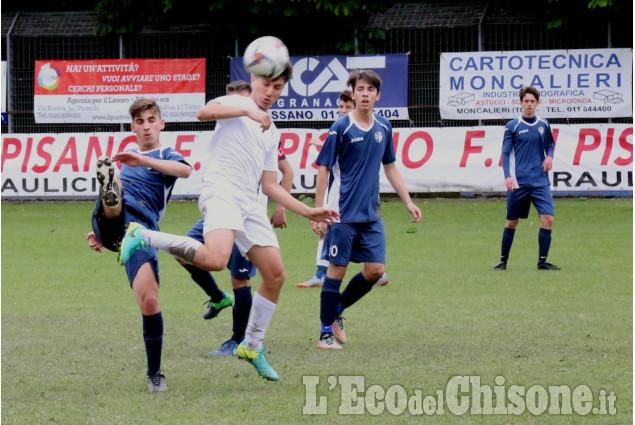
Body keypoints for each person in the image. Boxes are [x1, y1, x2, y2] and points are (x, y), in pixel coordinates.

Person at [117, 64, 340, 380]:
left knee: (275, 274)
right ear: (253, 81)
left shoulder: (271, 130)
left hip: (250, 204)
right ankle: (143, 236)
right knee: (216, 260)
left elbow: (270, 185)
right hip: (221, 191)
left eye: (277, 87)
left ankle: (251, 345)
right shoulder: (237, 107)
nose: (269, 92)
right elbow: (203, 112)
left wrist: (307, 211)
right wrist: (247, 111)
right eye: (265, 83)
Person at [86, 98, 192, 392]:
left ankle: (154, 373)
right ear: (132, 127)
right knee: (114, 192)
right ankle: (111, 205)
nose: (146, 127)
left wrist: (142, 160)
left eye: (150, 120)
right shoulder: (125, 155)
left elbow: (185, 171)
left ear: (161, 124)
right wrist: (100, 234)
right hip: (119, 217)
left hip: (141, 230)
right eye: (140, 122)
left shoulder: (167, 155)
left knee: (149, 301)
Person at [314, 70, 422, 350]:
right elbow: (323, 169)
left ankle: (336, 310)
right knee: (335, 271)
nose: (364, 93)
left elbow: (390, 167)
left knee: (375, 271)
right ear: (353, 94)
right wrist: (319, 210)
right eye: (359, 89)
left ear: (377, 95)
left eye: (369, 90)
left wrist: (408, 201)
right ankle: (325, 334)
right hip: (341, 214)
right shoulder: (341, 127)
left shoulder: (384, 127)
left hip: (371, 215)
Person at [297, 89, 388, 288]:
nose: (344, 110)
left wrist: (320, 144)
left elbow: (344, 157)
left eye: (348, 106)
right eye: (341, 106)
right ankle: (324, 275)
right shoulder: (339, 128)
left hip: (348, 198)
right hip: (340, 196)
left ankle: (328, 275)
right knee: (325, 230)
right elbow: (334, 161)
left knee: (333, 231)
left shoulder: (366, 127)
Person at [493, 86, 560, 271]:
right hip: (519, 182)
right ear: (521, 103)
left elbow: (550, 145)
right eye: (526, 101)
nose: (529, 104)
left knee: (548, 219)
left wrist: (549, 156)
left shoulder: (543, 124)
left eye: (532, 101)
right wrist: (507, 176)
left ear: (538, 103)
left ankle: (542, 261)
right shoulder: (512, 126)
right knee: (512, 222)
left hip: (540, 182)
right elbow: (505, 153)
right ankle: (503, 261)